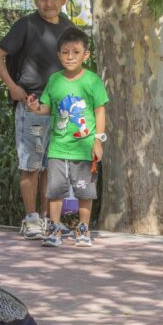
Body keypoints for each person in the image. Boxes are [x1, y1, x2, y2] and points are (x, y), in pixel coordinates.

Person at [0, 0, 74, 240]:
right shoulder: (26, 24)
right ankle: (31, 218)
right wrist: (11, 86)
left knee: (53, 165)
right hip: (32, 102)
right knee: (31, 165)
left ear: (63, 1)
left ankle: (50, 220)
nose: (48, 3)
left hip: (61, 106)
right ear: (36, 1)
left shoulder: (68, 26)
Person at [26, 27, 108, 248]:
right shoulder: (54, 80)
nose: (70, 57)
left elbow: (100, 111)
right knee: (54, 192)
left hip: (84, 149)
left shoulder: (92, 81)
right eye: (65, 52)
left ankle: (83, 230)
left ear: (85, 55)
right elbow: (47, 108)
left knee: (85, 191)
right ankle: (54, 231)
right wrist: (35, 107)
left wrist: (98, 140)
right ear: (58, 55)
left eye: (75, 52)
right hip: (57, 150)